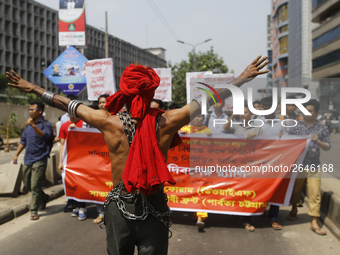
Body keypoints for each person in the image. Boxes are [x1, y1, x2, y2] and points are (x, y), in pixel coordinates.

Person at [6, 55, 268, 254]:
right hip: (154, 205)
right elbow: (209, 98)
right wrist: (241, 78)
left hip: (119, 206)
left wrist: (33, 87)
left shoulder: (107, 121)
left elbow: (66, 103)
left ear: (125, 91)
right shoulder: (166, 122)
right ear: (151, 91)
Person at [288, 99, 330, 235]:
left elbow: (327, 147)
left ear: (317, 113)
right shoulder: (297, 126)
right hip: (299, 165)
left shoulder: (322, 128)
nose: (307, 113)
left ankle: (314, 221)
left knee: (314, 192)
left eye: (310, 111)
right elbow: (289, 144)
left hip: (314, 165)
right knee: (296, 190)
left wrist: (317, 140)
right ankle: (294, 208)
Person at [224, 103, 263, 232]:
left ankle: (247, 219)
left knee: (248, 192)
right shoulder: (235, 125)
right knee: (236, 189)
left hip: (251, 165)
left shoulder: (258, 127)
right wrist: (231, 117)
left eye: (245, 112)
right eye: (241, 112)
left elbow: (266, 144)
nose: (242, 115)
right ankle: (235, 211)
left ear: (251, 114)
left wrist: (256, 139)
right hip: (236, 164)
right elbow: (224, 129)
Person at [12, 100, 53, 220]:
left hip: (40, 159)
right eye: (29, 109)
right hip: (28, 158)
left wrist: (34, 125)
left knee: (35, 185)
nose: (30, 112)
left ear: (40, 111)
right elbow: (23, 141)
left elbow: (44, 136)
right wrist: (16, 155)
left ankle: (33, 210)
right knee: (28, 184)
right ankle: (43, 197)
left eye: (32, 109)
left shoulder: (46, 124)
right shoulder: (27, 126)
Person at [257, 97, 285, 230]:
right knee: (258, 188)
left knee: (276, 189)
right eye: (266, 106)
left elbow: (290, 142)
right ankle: (257, 211)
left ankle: (273, 217)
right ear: (262, 107)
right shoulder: (256, 122)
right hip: (259, 162)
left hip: (276, 162)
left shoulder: (282, 124)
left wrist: (283, 138)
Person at [58, 115, 87, 219]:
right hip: (69, 160)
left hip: (83, 159)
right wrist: (60, 161)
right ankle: (75, 205)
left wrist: (77, 130)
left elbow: (89, 139)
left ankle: (82, 207)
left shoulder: (84, 124)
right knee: (72, 183)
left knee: (81, 184)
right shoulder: (64, 126)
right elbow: (62, 144)